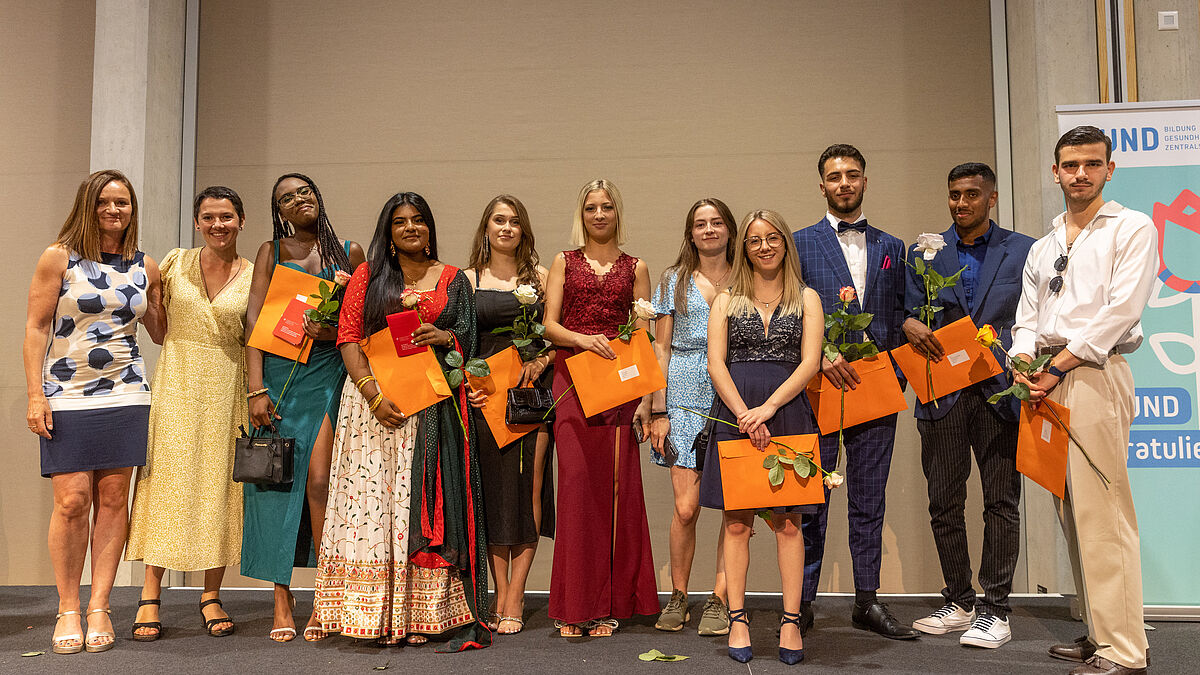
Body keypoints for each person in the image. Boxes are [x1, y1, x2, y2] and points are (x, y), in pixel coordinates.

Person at [312, 192, 490, 651]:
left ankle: (420, 615)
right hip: (374, 407)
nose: (411, 227)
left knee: (420, 504)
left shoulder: (453, 279)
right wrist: (373, 395)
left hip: (430, 408)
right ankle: (370, 614)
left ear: (429, 228)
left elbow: (468, 337)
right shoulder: (369, 276)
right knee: (374, 505)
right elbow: (349, 337)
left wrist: (444, 336)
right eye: (400, 222)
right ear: (388, 233)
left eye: (418, 220)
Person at [1011, 126, 1155, 675]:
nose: (1081, 174)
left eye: (1092, 164)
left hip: (1092, 372)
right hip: (1046, 378)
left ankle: (1125, 650)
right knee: (1072, 512)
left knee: (1104, 514)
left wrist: (1056, 367)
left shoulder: (1131, 227)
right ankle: (1100, 634)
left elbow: (1121, 311)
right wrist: (1024, 362)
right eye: (1070, 165)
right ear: (1056, 172)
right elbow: (1027, 317)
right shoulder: (1044, 245)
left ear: (1109, 170)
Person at [24, 169, 165, 654]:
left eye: (122, 202)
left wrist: (167, 294)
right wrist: (36, 395)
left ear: (132, 209)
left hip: (127, 392)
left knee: (113, 499)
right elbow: (36, 327)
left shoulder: (145, 264)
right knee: (72, 501)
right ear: (88, 206)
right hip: (66, 392)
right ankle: (68, 606)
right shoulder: (58, 257)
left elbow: (160, 332)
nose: (113, 210)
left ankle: (100, 605)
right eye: (104, 201)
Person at [901, 164, 1034, 648]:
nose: (962, 203)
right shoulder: (924, 251)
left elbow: (1036, 316)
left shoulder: (1024, 250)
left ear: (992, 198)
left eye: (972, 194)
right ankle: (959, 601)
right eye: (955, 194)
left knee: (1001, 502)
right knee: (944, 502)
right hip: (944, 393)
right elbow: (907, 312)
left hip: (1000, 391)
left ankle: (996, 609)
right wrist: (908, 324)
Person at [791, 144, 915, 639]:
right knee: (811, 499)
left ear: (865, 181)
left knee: (869, 499)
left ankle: (867, 600)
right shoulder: (798, 244)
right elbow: (787, 313)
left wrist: (897, 372)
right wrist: (818, 355)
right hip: (816, 387)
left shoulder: (894, 247)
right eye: (835, 176)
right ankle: (800, 603)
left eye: (853, 174)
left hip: (876, 388)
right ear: (821, 185)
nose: (844, 183)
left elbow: (901, 314)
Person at [126, 186, 256, 641]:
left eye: (226, 216)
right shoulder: (174, 262)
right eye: (209, 217)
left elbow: (255, 339)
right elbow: (158, 332)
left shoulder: (254, 274)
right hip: (178, 379)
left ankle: (211, 594)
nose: (218, 225)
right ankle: (150, 594)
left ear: (241, 220)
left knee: (220, 484)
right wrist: (149, 302)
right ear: (197, 222)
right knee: (166, 480)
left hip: (228, 383)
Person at [242, 173, 365, 642]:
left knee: (319, 480)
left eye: (304, 191)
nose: (298, 200)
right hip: (280, 375)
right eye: (286, 198)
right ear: (279, 211)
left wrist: (331, 332)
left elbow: (364, 322)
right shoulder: (271, 251)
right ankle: (281, 596)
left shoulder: (349, 252)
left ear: (317, 196)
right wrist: (256, 389)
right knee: (275, 480)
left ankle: (324, 593)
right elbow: (254, 318)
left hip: (329, 373)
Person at [700, 209, 824, 665]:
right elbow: (716, 363)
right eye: (754, 240)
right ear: (744, 248)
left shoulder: (807, 298)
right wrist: (743, 414)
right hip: (735, 414)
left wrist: (768, 408)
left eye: (772, 238)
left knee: (789, 524)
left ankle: (791, 622)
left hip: (787, 413)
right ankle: (737, 618)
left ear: (785, 243)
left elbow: (810, 363)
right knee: (736, 523)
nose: (764, 246)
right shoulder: (726, 300)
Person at [543, 178, 659, 637]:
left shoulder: (636, 267)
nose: (598, 214)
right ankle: (574, 606)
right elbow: (549, 325)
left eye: (606, 207)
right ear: (582, 213)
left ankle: (609, 603)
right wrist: (582, 339)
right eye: (591, 207)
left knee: (616, 492)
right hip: (572, 381)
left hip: (619, 388)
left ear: (617, 213)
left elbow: (643, 337)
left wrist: (647, 400)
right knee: (576, 489)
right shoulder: (563, 261)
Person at [463, 195, 555, 636]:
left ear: (524, 230)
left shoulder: (542, 278)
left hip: (531, 396)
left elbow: (555, 335)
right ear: (486, 227)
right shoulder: (467, 280)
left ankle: (517, 591)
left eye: (514, 221)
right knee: (493, 494)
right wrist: (467, 380)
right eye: (498, 220)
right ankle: (498, 591)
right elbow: (459, 342)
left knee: (528, 490)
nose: (506, 227)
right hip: (485, 397)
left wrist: (541, 361)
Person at [648, 198, 734, 636]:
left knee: (734, 509)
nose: (709, 230)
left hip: (734, 392)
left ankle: (720, 598)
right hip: (683, 392)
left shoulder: (747, 277)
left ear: (730, 229)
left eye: (717, 222)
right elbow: (660, 347)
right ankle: (678, 595)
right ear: (691, 233)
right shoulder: (674, 279)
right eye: (701, 224)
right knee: (686, 508)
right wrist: (658, 408)